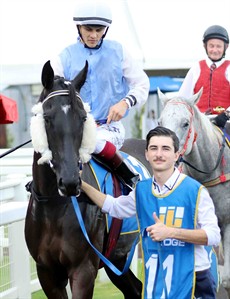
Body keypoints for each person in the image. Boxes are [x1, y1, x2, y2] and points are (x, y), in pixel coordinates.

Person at [81, 126, 221, 298]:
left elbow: (213, 235)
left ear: (176, 155)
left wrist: (171, 232)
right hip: (156, 281)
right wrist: (82, 184)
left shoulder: (196, 191)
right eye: (154, 148)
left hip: (193, 280)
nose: (159, 154)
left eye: (166, 149)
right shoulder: (141, 191)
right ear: (146, 154)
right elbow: (114, 206)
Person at [50, 1, 150, 189]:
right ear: (78, 27)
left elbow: (142, 84)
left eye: (99, 29)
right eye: (88, 29)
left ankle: (129, 178)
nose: (94, 35)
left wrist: (125, 103)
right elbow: (51, 92)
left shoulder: (118, 51)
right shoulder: (64, 57)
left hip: (108, 128)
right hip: (74, 129)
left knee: (93, 143)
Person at [178, 25, 230, 128]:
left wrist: (226, 114)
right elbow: (182, 98)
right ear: (205, 46)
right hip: (200, 123)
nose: (215, 50)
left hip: (226, 122)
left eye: (218, 46)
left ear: (226, 47)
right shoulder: (196, 68)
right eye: (211, 46)